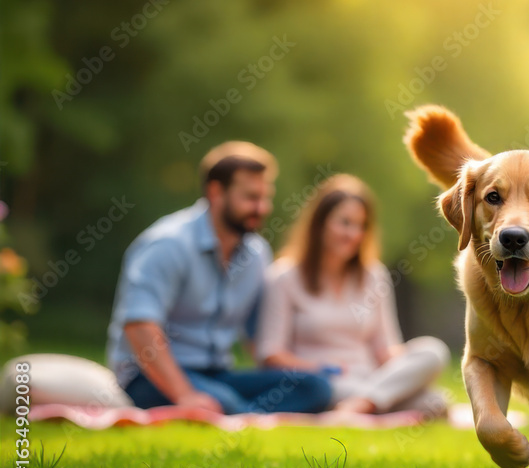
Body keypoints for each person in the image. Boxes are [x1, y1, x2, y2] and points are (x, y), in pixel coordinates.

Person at [106, 142, 332, 414]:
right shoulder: (168, 244)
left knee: (316, 388)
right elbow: (139, 327)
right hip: (147, 377)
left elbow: (257, 337)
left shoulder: (256, 254)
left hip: (216, 375)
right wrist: (185, 395)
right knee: (223, 402)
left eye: (265, 197)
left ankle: (242, 415)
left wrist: (306, 365)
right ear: (216, 192)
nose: (261, 208)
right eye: (251, 197)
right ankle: (243, 415)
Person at [256, 174, 450, 417]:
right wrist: (320, 368)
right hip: (324, 382)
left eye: (361, 226)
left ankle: (360, 406)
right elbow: (270, 354)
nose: (353, 234)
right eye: (345, 223)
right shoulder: (283, 277)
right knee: (430, 403)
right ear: (320, 224)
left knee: (433, 352)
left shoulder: (374, 276)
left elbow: (386, 349)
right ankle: (369, 405)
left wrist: (412, 371)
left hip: (372, 377)